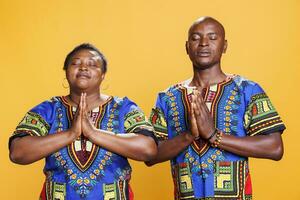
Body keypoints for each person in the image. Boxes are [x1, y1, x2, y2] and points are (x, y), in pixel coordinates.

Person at [146, 16, 285, 199]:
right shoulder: (167, 97)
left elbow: (275, 148)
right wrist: (189, 136)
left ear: (224, 46)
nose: (204, 43)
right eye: (196, 38)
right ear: (187, 47)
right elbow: (150, 155)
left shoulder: (246, 90)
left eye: (212, 37)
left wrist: (214, 135)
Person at [9, 43, 157, 200]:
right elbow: (18, 153)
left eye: (92, 64)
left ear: (103, 75)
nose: (84, 68)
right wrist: (70, 134)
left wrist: (93, 133)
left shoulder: (123, 108)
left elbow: (149, 149)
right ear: (66, 72)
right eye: (75, 63)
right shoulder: (49, 109)